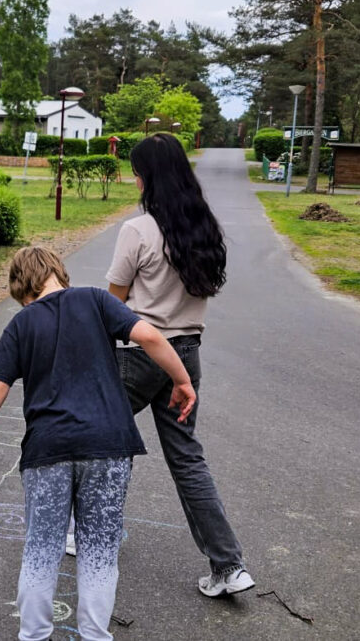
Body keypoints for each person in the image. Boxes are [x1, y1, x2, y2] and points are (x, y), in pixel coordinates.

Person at [0, 246, 196, 641]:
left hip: (47, 450)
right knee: (99, 551)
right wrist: (182, 381)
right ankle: (95, 635)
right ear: (58, 273)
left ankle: (33, 636)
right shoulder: (95, 300)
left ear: (21, 287)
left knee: (41, 550)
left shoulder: (20, 325)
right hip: (108, 445)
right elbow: (148, 334)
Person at [104, 133, 254, 597]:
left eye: (136, 172)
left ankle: (88, 534)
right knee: (188, 460)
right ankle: (229, 566)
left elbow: (115, 305)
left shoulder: (138, 230)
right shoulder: (203, 228)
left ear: (147, 177)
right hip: (185, 358)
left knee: (104, 446)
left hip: (137, 354)